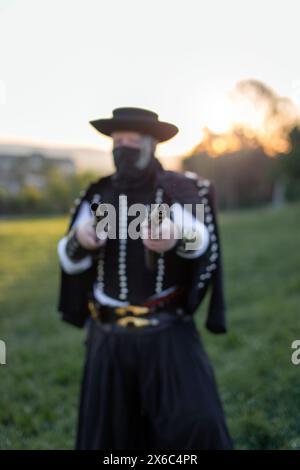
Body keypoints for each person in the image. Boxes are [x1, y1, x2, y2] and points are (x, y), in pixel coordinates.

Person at [57, 107, 233, 450]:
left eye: (132, 141)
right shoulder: (96, 194)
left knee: (198, 425)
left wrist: (174, 234)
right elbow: (68, 257)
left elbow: (200, 239)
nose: (122, 147)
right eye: (117, 141)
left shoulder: (178, 189)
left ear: (152, 145)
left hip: (167, 332)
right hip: (107, 338)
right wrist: (80, 240)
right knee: (107, 437)